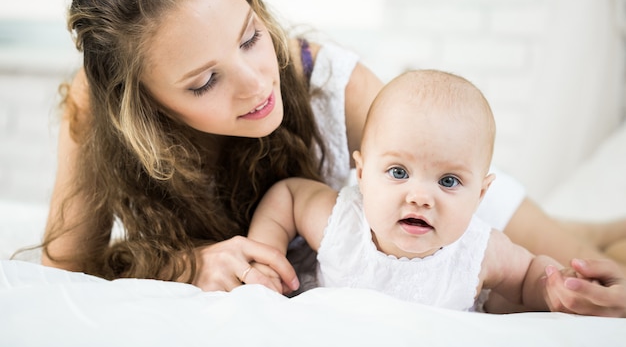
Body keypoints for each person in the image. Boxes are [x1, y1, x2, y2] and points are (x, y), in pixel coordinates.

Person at [40, 0, 626, 315]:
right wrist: (187, 263)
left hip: (435, 189)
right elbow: (65, 266)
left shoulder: (328, 82)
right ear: (140, 105)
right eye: (204, 82)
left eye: (251, 38)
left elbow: (440, 184)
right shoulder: (102, 104)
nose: (257, 83)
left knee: (588, 260)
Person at [247, 69, 621, 315]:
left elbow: (527, 280)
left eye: (448, 181)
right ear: (361, 174)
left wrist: (554, 290)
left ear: (480, 194)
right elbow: (289, 196)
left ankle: (607, 239)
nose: (420, 197)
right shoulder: (340, 222)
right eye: (398, 172)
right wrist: (265, 258)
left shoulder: (480, 251)